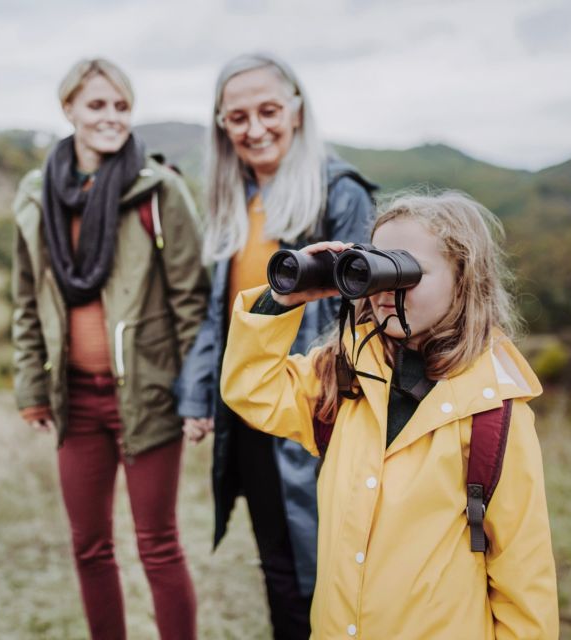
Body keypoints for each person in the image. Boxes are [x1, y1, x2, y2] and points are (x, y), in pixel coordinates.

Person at [219, 191, 559, 639]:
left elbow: (523, 581)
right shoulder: (344, 377)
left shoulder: (493, 414)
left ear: (463, 278)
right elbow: (250, 388)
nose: (385, 291)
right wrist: (285, 297)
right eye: (376, 267)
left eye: (406, 270)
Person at [177, 52, 376, 639]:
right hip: (252, 410)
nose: (255, 128)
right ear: (221, 124)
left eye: (268, 111)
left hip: (317, 413)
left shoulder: (340, 193)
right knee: (279, 568)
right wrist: (196, 395)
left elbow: (367, 314)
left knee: (327, 570)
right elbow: (222, 314)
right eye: (237, 117)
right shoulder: (234, 197)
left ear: (296, 110)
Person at [11, 57, 208, 640]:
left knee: (158, 544)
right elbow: (27, 300)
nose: (111, 117)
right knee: (89, 547)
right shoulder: (34, 195)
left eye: (122, 106)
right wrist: (30, 387)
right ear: (68, 108)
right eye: (97, 105)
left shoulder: (158, 189)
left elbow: (191, 302)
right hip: (75, 399)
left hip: (147, 397)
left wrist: (196, 394)